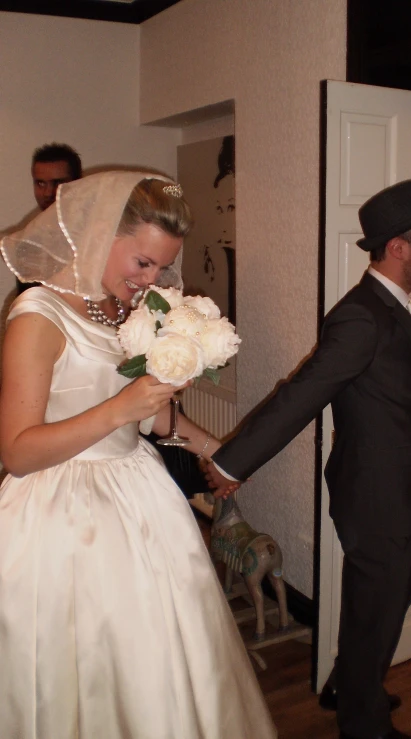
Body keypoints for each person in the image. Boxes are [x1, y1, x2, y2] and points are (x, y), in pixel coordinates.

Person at [204, 179, 411, 739]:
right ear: (398, 247)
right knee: (378, 607)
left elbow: (397, 390)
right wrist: (232, 462)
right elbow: (303, 393)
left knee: (395, 592)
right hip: (376, 495)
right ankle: (364, 725)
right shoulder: (362, 317)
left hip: (396, 492)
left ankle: (347, 682)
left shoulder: (395, 308)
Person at [0, 171, 276, 739]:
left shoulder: (116, 309)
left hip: (139, 498)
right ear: (99, 233)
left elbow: (147, 412)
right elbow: (18, 451)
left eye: (162, 266)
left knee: (161, 657)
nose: (152, 280)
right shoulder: (36, 316)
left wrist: (215, 450)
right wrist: (121, 409)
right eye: (142, 264)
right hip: (61, 515)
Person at [14, 143, 83, 296]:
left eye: (57, 183)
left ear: (78, 183)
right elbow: (29, 300)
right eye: (40, 183)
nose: (47, 192)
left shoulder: (97, 232)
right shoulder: (29, 242)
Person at [31, 141, 82, 211]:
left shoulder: (97, 219)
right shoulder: (32, 222)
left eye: (58, 183)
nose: (48, 193)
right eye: (41, 184)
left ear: (78, 183)